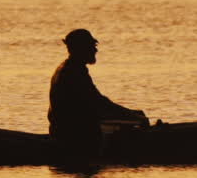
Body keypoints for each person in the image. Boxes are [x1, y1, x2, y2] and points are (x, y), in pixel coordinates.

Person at [47, 29, 148, 163]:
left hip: (63, 130)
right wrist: (132, 115)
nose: (95, 51)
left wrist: (130, 114)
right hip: (73, 135)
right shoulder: (73, 72)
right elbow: (98, 103)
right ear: (81, 48)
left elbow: (95, 103)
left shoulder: (69, 68)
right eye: (92, 47)